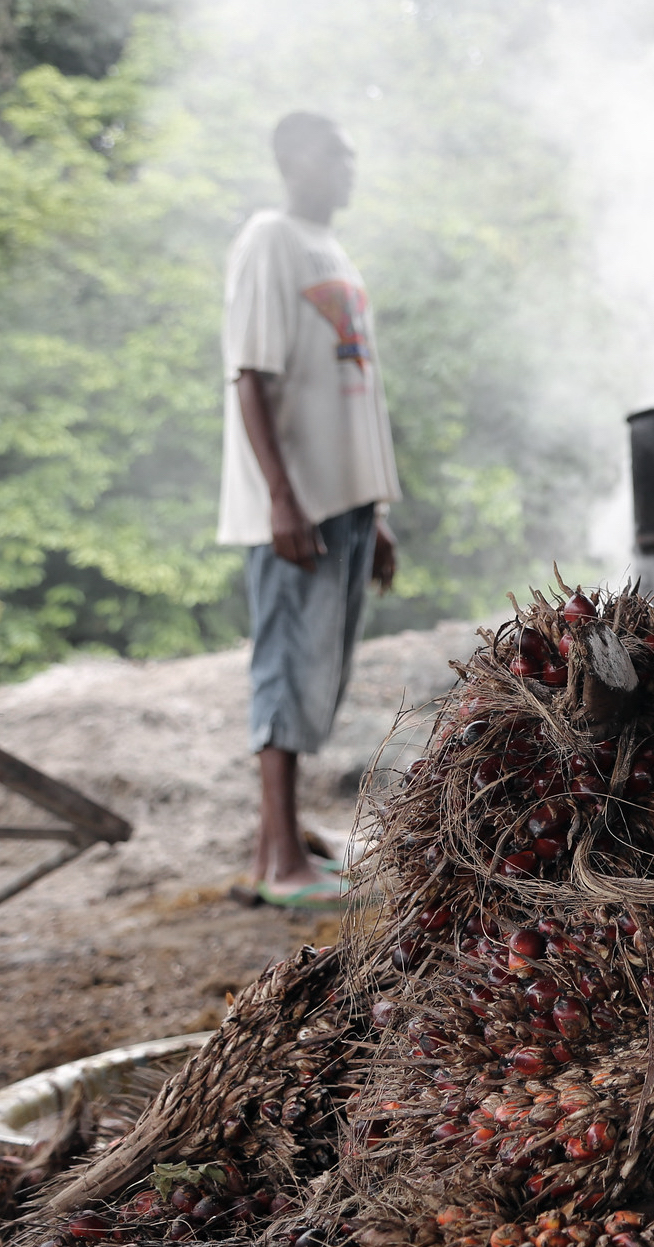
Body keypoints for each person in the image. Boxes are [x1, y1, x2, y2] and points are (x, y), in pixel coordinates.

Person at [216, 111, 400, 908]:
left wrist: (376, 510)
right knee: (286, 669)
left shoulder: (335, 252)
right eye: (337, 155)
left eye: (353, 156)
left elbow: (352, 396)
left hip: (347, 503)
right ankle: (283, 862)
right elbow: (249, 376)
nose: (349, 169)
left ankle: (275, 853)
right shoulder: (269, 239)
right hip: (295, 507)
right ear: (294, 159)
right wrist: (282, 498)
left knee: (320, 673)